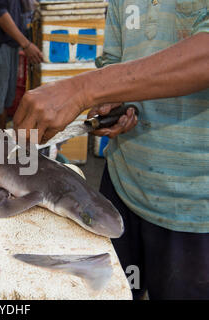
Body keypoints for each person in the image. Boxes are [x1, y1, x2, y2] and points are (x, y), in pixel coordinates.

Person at [14, 0, 208, 300]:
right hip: (121, 189)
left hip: (194, 211)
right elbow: (117, 63)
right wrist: (118, 104)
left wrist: (81, 89)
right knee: (111, 291)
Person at [0, 0, 44, 130]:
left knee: (4, 102)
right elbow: (0, 13)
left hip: (12, 44)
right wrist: (26, 44)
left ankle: (0, 144)